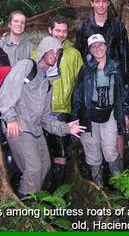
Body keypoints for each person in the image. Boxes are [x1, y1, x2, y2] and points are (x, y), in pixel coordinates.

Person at [0, 36, 86, 197]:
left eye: (58, 52)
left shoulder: (47, 82)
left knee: (45, 165)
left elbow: (46, 118)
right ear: (43, 51)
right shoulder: (27, 66)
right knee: (34, 168)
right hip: (18, 125)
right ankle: (24, 209)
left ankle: (31, 198)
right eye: (51, 50)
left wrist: (66, 128)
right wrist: (10, 119)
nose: (55, 54)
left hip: (35, 129)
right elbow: (7, 92)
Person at [75, 0, 129, 160]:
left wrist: (125, 83)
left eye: (104, 1)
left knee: (118, 120)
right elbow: (79, 56)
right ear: (92, 3)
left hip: (114, 79)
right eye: (97, 1)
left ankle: (118, 170)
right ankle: (96, 167)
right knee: (92, 123)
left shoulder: (117, 26)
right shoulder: (84, 28)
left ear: (108, 3)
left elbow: (124, 55)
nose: (100, 5)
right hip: (91, 82)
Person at [72, 34, 129, 188]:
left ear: (106, 46)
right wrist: (75, 117)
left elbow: (125, 90)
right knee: (92, 151)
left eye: (100, 45)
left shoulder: (116, 67)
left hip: (110, 113)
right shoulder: (85, 69)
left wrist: (125, 113)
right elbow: (78, 93)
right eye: (94, 46)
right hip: (89, 115)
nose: (98, 49)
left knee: (110, 150)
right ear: (90, 50)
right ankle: (98, 187)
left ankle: (121, 184)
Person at [31, 15, 83, 189]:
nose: (61, 34)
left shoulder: (73, 54)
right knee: (41, 151)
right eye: (58, 30)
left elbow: (81, 82)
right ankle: (39, 190)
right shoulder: (37, 52)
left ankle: (56, 193)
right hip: (39, 110)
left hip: (62, 109)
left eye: (64, 31)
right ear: (50, 30)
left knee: (60, 152)